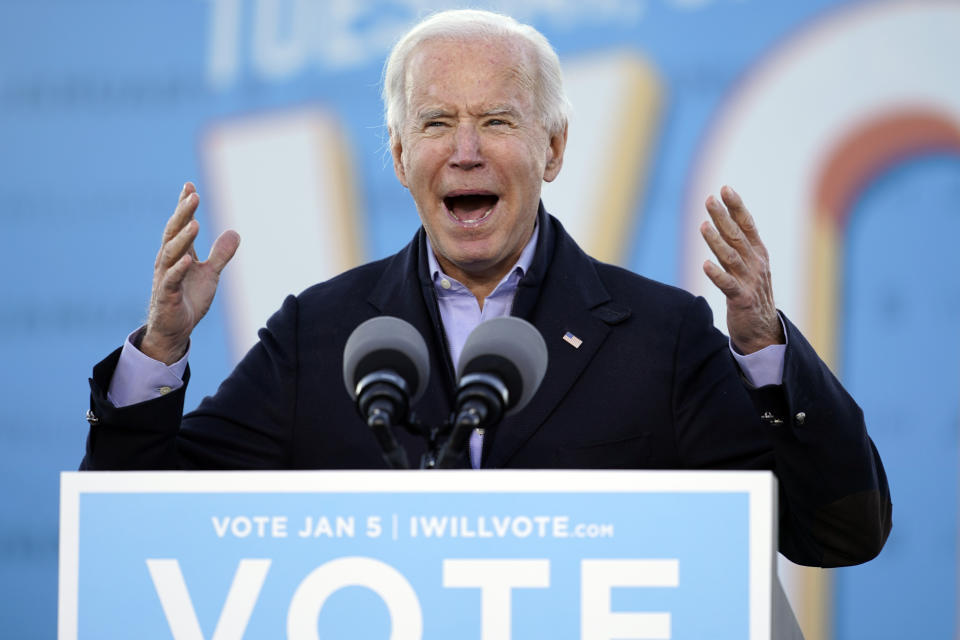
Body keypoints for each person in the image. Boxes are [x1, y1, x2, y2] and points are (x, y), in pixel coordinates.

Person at [82, 9, 890, 568]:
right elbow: (135, 534)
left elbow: (838, 531)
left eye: (498, 121)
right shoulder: (317, 336)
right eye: (436, 124)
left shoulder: (660, 335)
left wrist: (763, 349)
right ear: (400, 158)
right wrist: (161, 352)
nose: (465, 151)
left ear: (554, 149)